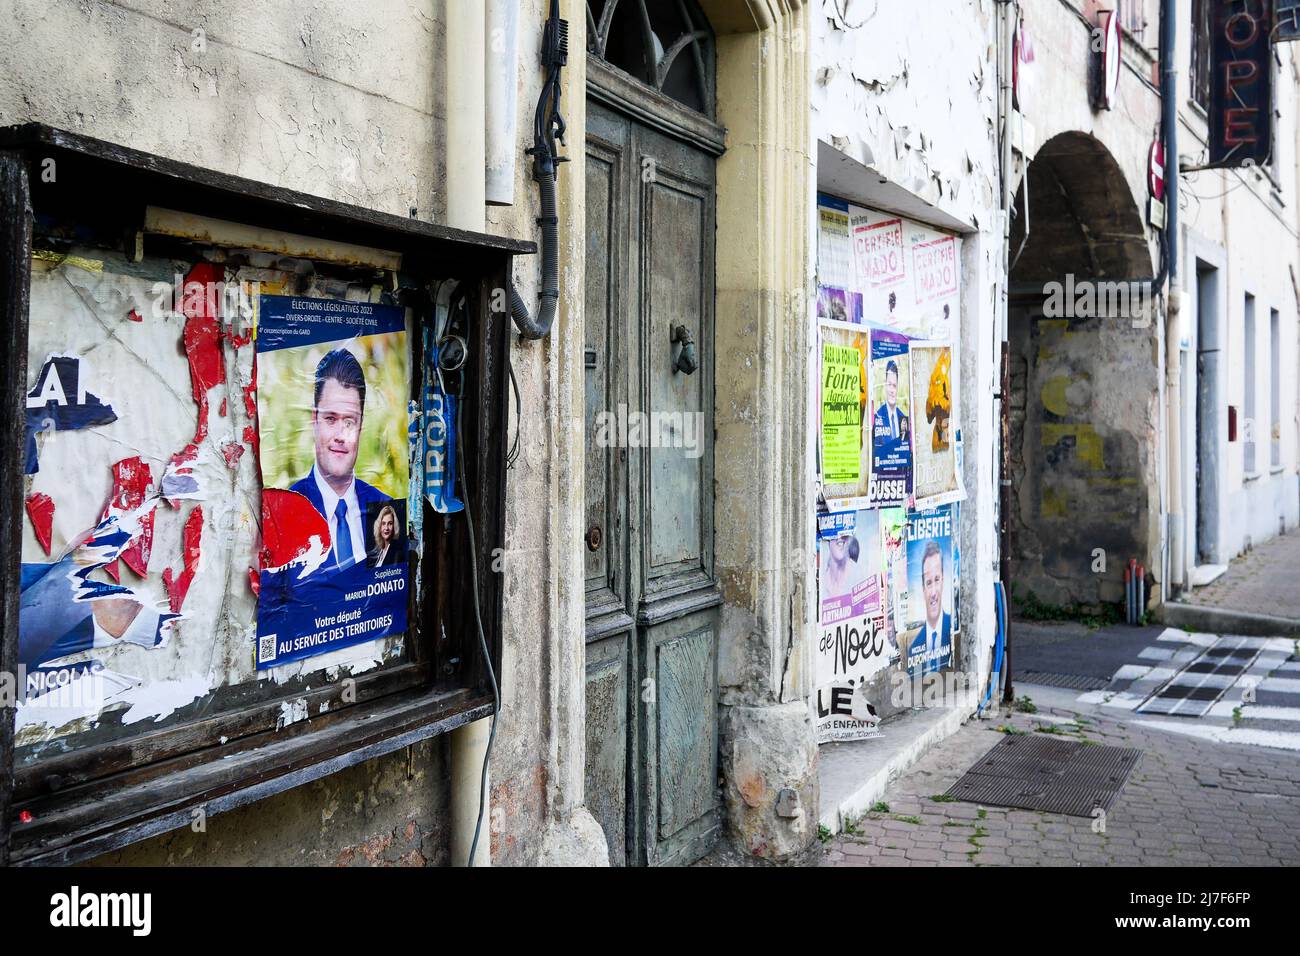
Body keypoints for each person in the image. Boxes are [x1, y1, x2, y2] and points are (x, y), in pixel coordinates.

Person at [290, 348, 390, 571]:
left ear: (361, 427)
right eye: (331, 419)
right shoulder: (287, 512)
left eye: (349, 422)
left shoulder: (385, 509)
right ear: (314, 421)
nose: (340, 436)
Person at [907, 540, 952, 675]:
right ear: (923, 588)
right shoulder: (914, 648)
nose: (933, 592)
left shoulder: (952, 631)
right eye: (928, 582)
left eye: (937, 580)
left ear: (943, 580)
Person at [872, 359, 910, 449]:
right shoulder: (878, 417)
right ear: (885, 386)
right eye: (889, 385)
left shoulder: (903, 418)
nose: (892, 390)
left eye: (894, 385)